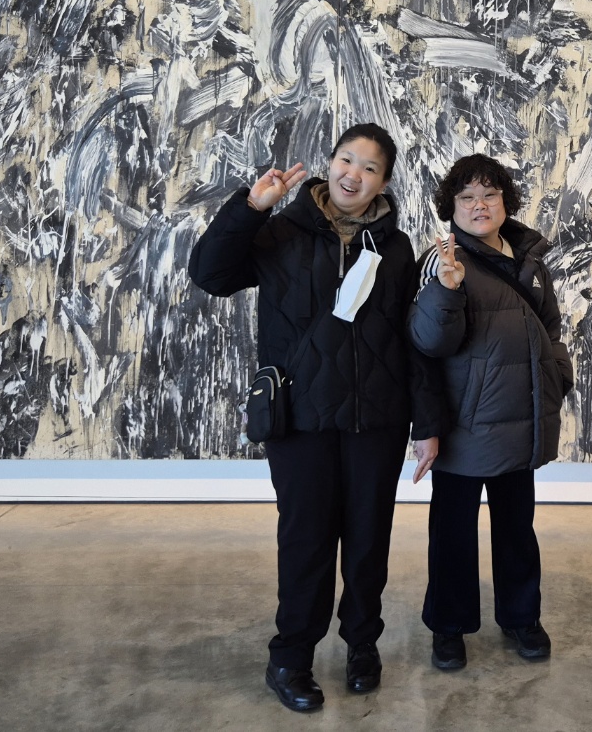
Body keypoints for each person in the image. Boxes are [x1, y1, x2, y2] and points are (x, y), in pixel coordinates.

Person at [188, 123, 443, 713]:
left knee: (368, 539)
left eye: (370, 167)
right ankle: (291, 657)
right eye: (346, 160)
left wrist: (426, 423)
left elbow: (412, 340)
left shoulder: (395, 248)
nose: (354, 174)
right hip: (299, 418)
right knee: (305, 539)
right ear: (330, 164)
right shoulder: (281, 231)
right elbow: (210, 274)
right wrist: (252, 207)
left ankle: (362, 645)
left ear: (384, 181)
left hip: (376, 420)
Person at [407, 153, 574, 671]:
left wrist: (557, 373)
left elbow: (550, 327)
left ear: (505, 201)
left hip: (521, 419)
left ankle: (522, 618)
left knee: (517, 528)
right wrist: (448, 288)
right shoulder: (440, 260)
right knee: (453, 533)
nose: (479, 205)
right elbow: (428, 343)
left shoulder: (528, 257)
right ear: (451, 206)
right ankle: (449, 627)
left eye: (490, 195)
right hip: (464, 423)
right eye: (467, 197)